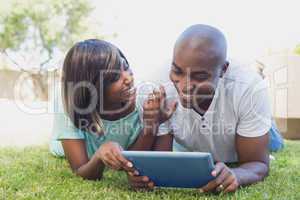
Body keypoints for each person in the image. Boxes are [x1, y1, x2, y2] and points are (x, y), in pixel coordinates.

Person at [128, 24, 284, 193]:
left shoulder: (250, 88)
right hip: (196, 140)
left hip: (244, 130)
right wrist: (142, 174)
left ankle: (271, 127)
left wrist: (237, 174)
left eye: (199, 76)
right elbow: (162, 163)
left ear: (223, 70)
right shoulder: (155, 87)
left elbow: (258, 164)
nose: (185, 86)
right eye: (177, 71)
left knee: (274, 141)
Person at [49, 39, 177, 182]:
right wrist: (98, 156)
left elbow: (134, 161)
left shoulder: (144, 98)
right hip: (75, 149)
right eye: (115, 77)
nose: (129, 78)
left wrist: (150, 126)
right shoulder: (69, 106)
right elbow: (80, 170)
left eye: (126, 67)